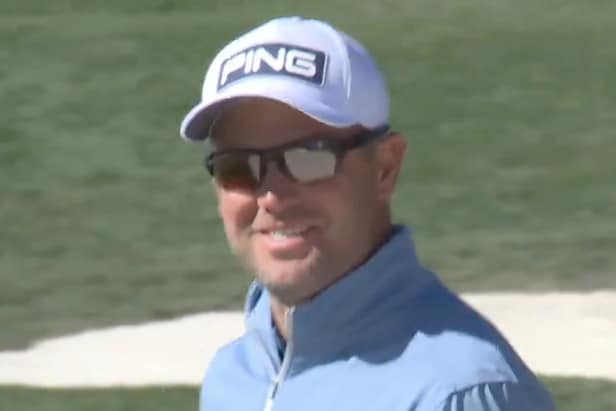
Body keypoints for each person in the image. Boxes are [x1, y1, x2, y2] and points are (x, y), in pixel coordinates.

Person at [179, 16, 556, 411]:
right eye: (238, 166)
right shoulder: (235, 377)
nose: (271, 196)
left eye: (308, 158)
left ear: (385, 168)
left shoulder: (455, 393)